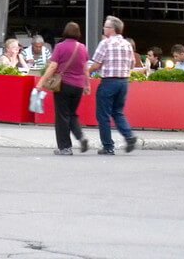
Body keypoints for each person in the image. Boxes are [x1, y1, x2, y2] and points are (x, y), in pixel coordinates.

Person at [35, 22, 90, 156]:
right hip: (78, 86)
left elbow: (53, 66)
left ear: (65, 32)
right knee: (72, 114)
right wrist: (87, 85)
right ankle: (81, 137)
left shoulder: (60, 46)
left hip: (63, 85)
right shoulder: (82, 48)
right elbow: (85, 68)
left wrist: (41, 82)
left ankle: (65, 147)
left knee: (62, 116)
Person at [89, 15, 138, 155]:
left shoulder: (105, 43)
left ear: (112, 29)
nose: (104, 28)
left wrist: (87, 72)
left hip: (109, 82)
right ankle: (129, 136)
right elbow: (132, 64)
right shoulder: (127, 44)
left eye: (105, 26)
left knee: (103, 115)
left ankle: (108, 146)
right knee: (118, 112)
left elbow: (96, 64)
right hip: (123, 82)